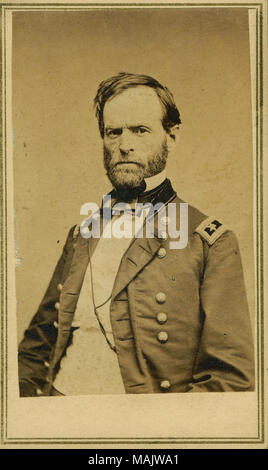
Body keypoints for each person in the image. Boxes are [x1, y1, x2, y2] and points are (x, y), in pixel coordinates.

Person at [18, 72, 254, 396]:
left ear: (171, 136)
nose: (124, 145)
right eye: (113, 132)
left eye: (140, 130)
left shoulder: (209, 243)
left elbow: (229, 381)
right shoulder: (81, 236)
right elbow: (36, 349)